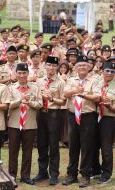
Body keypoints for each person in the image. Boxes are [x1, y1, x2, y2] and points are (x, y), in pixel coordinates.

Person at [62, 56, 100, 188]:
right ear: (76, 67)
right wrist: (75, 91)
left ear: (89, 67)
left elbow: (97, 97)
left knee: (87, 146)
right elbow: (65, 94)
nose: (82, 67)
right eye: (80, 65)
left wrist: (83, 95)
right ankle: (71, 174)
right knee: (73, 146)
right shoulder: (71, 79)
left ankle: (85, 175)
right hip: (72, 116)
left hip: (87, 116)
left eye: (85, 65)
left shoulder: (94, 80)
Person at [33, 56, 66, 185]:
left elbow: (63, 101)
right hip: (41, 113)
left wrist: (51, 99)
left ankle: (54, 174)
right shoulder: (39, 81)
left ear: (57, 67)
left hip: (54, 114)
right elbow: (35, 96)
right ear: (45, 66)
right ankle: (42, 172)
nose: (51, 68)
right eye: (49, 65)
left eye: (53, 66)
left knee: (53, 145)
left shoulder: (60, 82)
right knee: (41, 144)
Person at [8, 63, 43, 185]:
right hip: (14, 124)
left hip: (29, 124)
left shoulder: (35, 88)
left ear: (28, 74)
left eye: (24, 73)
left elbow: (40, 104)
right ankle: (11, 175)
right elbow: (8, 105)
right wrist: (19, 100)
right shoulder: (11, 88)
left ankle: (25, 176)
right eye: (20, 73)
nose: (22, 75)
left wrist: (30, 102)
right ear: (16, 74)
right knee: (13, 151)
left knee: (27, 151)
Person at [96, 62, 115, 184]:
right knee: (93, 145)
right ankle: (96, 170)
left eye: (112, 72)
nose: (109, 73)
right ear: (102, 71)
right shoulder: (96, 82)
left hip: (109, 118)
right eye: (107, 70)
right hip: (94, 116)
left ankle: (106, 173)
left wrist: (110, 106)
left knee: (106, 147)